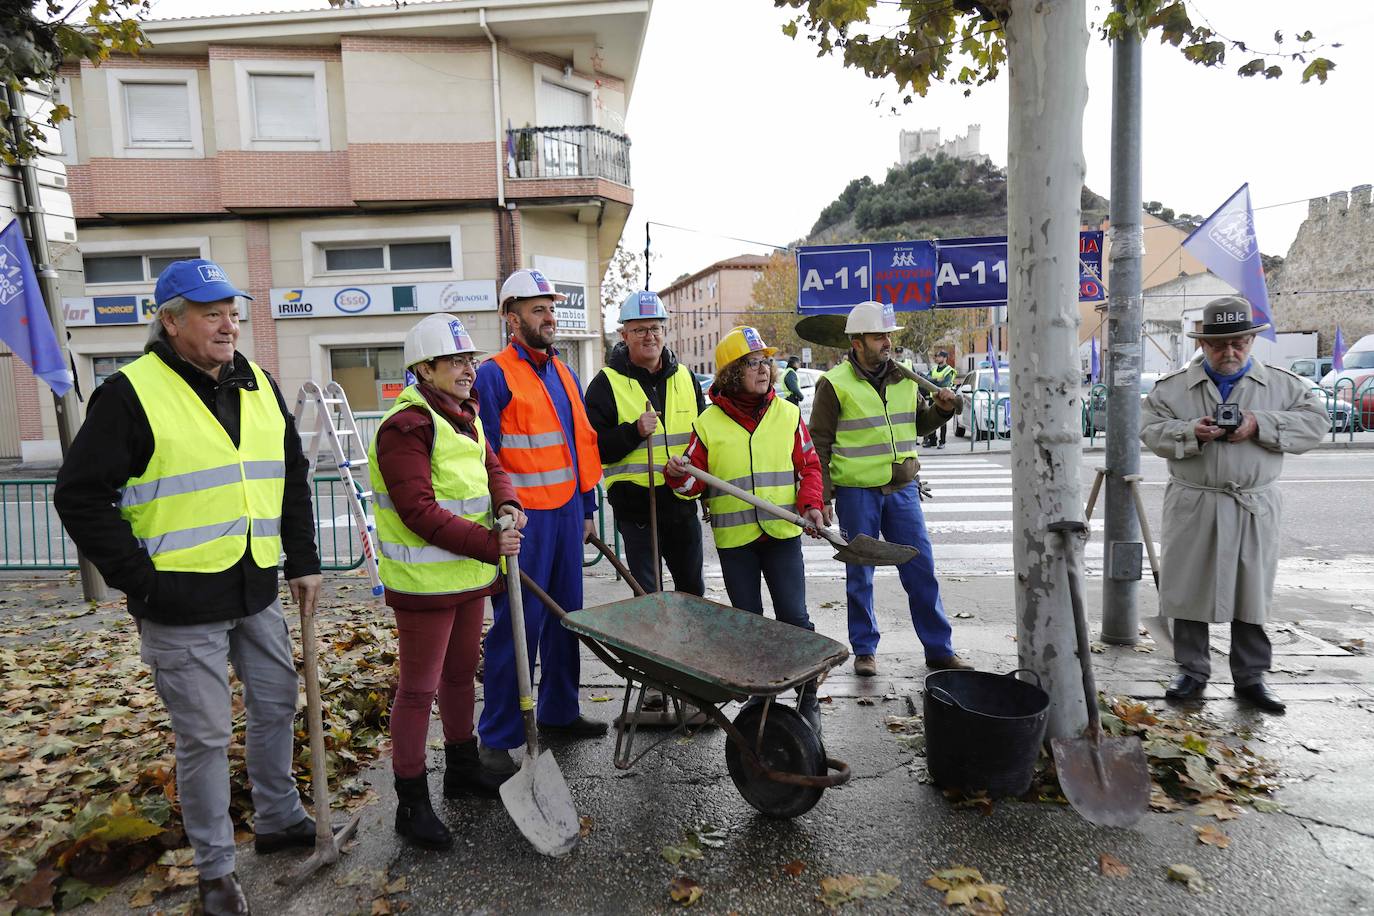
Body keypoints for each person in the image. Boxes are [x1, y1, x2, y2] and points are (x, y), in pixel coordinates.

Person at [53, 259, 321, 916]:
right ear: (170, 322)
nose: (229, 324)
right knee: (202, 736)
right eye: (211, 312)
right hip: (177, 602)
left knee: (277, 703)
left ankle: (280, 817)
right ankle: (214, 869)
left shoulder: (257, 382)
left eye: (233, 310)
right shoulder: (128, 393)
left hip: (253, 585)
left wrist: (304, 560)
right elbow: (80, 496)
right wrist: (141, 581)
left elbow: (289, 475)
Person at [369, 314, 526, 850]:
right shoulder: (407, 426)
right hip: (423, 583)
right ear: (424, 368)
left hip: (465, 576)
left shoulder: (465, 416)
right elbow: (416, 509)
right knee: (417, 690)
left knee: (461, 676)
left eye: (470, 360)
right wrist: (489, 544)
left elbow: (493, 467)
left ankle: (461, 768)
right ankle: (411, 804)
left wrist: (507, 502)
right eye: (456, 362)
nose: (467, 369)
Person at [1141, 296, 1328, 714]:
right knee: (1187, 589)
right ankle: (1191, 670)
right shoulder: (1171, 389)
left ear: (1250, 341)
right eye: (1219, 344)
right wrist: (1191, 431)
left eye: (1239, 343)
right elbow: (1150, 430)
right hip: (1195, 500)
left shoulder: (1282, 386)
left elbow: (1317, 424)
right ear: (1203, 345)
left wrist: (1261, 423)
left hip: (1252, 504)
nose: (1230, 352)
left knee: (1252, 591)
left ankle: (1251, 677)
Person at [473, 269, 607, 777]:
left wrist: (588, 509)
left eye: (550, 308)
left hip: (568, 513)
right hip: (524, 521)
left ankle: (559, 710)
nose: (548, 317)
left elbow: (579, 444)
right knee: (516, 627)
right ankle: (498, 735)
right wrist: (497, 516)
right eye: (536, 309)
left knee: (566, 617)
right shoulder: (493, 374)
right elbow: (483, 454)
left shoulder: (563, 370)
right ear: (512, 318)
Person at [664, 327, 827, 732]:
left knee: (794, 617)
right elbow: (691, 486)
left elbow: (808, 467)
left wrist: (812, 506)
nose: (764, 369)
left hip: (783, 535)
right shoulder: (708, 424)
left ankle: (808, 697)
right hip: (736, 542)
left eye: (766, 362)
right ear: (732, 373)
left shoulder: (788, 414)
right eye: (753, 362)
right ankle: (761, 698)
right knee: (749, 622)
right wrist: (676, 476)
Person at [808, 300, 970, 678]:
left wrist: (942, 410)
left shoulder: (905, 376)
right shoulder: (834, 384)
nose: (887, 343)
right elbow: (819, 444)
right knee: (860, 575)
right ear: (857, 341)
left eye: (889, 336)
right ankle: (865, 650)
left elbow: (918, 424)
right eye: (880, 336)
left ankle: (939, 649)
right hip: (856, 493)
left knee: (921, 569)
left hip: (902, 490)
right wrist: (823, 496)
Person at [585, 290, 705, 598]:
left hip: (681, 505)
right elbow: (594, 448)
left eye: (655, 328)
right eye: (639, 329)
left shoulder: (686, 379)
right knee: (649, 597)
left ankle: (690, 648)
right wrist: (634, 431)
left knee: (692, 592)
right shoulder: (605, 384)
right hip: (637, 509)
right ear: (624, 334)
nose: (649, 336)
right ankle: (654, 648)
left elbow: (705, 440)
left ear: (665, 331)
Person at [923, 350, 958, 449]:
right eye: (936, 356)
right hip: (932, 397)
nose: (936, 358)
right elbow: (926, 379)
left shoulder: (949, 370)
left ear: (944, 358)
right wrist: (935, 380)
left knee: (942, 421)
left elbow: (944, 385)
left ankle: (942, 441)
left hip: (944, 399)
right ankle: (932, 440)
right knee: (930, 420)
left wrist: (932, 382)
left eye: (938, 356)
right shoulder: (934, 369)